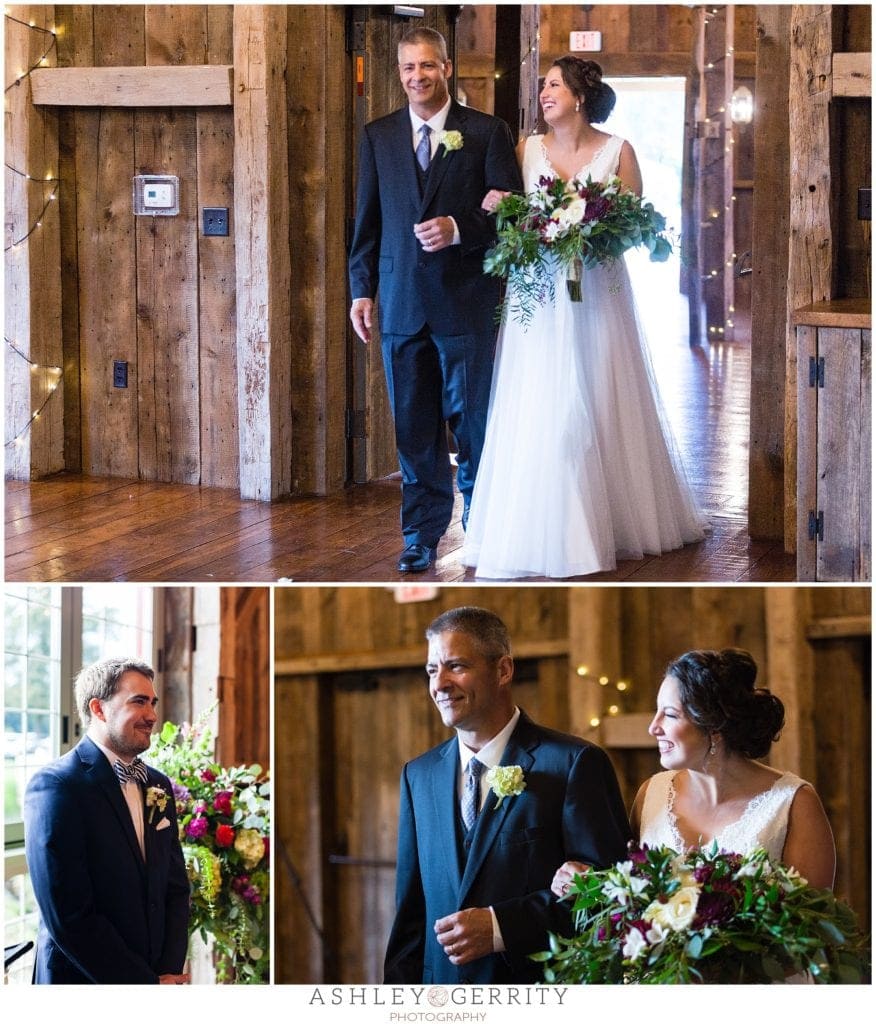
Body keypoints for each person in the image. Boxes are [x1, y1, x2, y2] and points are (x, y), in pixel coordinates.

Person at [463, 57, 704, 580]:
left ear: (578, 96)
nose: (544, 93)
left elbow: (633, 226)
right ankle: (542, 520)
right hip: (539, 296)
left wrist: (589, 234)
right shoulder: (526, 151)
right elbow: (507, 220)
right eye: (545, 85)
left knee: (598, 391)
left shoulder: (619, 152)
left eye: (553, 85)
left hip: (597, 291)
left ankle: (613, 520)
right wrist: (519, 217)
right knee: (540, 399)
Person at [348, 27, 523, 573]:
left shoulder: (486, 132)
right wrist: (362, 291)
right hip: (399, 303)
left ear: (447, 68)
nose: (417, 77)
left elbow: (510, 215)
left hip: (466, 300)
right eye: (407, 69)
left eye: (427, 66)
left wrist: (459, 227)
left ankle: (481, 524)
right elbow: (367, 222)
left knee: (472, 422)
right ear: (398, 74)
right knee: (413, 425)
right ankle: (421, 534)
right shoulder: (378, 136)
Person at [384, 606, 632, 983]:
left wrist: (502, 927)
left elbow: (608, 896)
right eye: (432, 670)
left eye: (456, 666)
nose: (439, 684)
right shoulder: (418, 776)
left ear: (503, 670)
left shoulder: (574, 764)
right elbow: (410, 915)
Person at [551, 648, 836, 899]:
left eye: (670, 714)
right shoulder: (651, 794)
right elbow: (633, 896)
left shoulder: (793, 803)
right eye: (656, 711)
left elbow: (811, 929)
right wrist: (590, 883)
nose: (654, 727)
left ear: (714, 726)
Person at [24, 657, 191, 984]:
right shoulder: (57, 786)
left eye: (153, 703)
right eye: (139, 702)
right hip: (82, 983)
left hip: (157, 975)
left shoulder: (158, 784)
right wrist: (141, 985)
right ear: (99, 709)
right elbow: (70, 916)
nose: (152, 716)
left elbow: (174, 886)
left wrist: (168, 970)